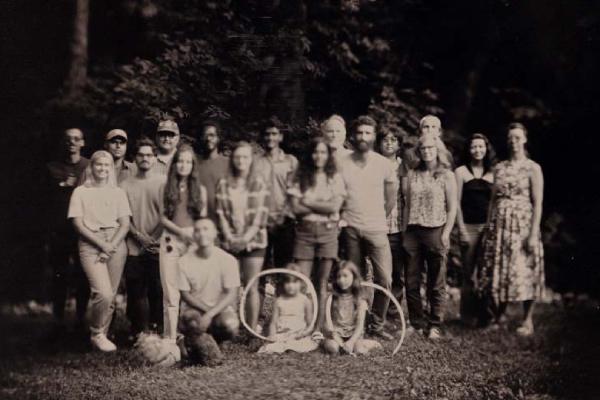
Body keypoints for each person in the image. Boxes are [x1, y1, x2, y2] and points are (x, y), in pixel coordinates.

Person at [478, 123, 544, 336]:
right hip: (500, 225)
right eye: (510, 138)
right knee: (501, 268)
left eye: (517, 138)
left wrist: (533, 233)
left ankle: (527, 320)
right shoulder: (500, 168)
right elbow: (492, 200)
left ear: (524, 140)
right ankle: (499, 316)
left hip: (522, 224)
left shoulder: (532, 168)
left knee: (525, 268)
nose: (513, 142)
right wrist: (489, 226)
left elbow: (538, 202)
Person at [339, 115, 397, 340]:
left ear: (374, 136)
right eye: (360, 133)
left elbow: (390, 197)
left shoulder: (382, 163)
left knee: (385, 279)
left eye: (368, 133)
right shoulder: (343, 162)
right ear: (353, 136)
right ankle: (358, 325)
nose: (363, 137)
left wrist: (379, 215)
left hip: (376, 228)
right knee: (356, 278)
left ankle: (377, 325)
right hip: (351, 228)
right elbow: (338, 192)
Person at [67, 150, 131, 352]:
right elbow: (77, 225)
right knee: (102, 292)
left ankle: (103, 337)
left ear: (111, 168)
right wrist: (102, 246)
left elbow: (125, 224)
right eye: (99, 165)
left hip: (115, 242)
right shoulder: (81, 192)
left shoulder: (117, 192)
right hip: (90, 242)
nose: (102, 169)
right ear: (91, 167)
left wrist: (110, 245)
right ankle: (96, 333)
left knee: (111, 295)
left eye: (107, 165)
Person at [288, 137, 346, 335]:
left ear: (328, 155)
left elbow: (335, 206)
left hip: (328, 232)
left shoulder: (334, 177)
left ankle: (318, 327)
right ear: (309, 154)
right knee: (302, 280)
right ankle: (302, 325)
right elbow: (295, 208)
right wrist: (321, 206)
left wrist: (308, 201)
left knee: (322, 282)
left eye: (323, 152)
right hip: (304, 232)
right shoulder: (300, 176)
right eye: (315, 152)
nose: (318, 156)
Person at [403, 134, 457, 340]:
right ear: (419, 151)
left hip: (435, 230)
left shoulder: (446, 175)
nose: (427, 151)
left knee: (437, 280)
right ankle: (416, 323)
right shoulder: (413, 173)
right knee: (411, 279)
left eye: (430, 148)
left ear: (438, 149)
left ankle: (435, 324)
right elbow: (407, 203)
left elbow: (452, 209)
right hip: (413, 231)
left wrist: (446, 233)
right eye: (423, 148)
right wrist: (405, 229)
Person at [215, 141, 270, 331]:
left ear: (251, 160)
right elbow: (220, 213)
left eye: (245, 157)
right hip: (228, 241)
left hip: (254, 241)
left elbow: (260, 217)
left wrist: (245, 239)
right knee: (230, 287)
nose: (241, 161)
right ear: (232, 159)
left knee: (251, 286)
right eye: (237, 157)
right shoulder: (223, 183)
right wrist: (230, 238)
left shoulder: (259, 182)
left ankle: (251, 329)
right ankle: (230, 329)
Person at [160, 144, 207, 342]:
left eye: (188, 162)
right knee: (171, 292)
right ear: (175, 164)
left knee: (192, 290)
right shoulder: (165, 186)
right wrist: (181, 232)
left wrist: (193, 235)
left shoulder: (200, 189)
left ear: (193, 165)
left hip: (193, 241)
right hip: (171, 239)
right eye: (180, 161)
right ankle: (170, 337)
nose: (184, 165)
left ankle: (192, 335)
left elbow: (202, 218)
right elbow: (162, 218)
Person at [178, 218, 240, 366]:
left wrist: (211, 314)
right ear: (193, 235)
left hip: (220, 309)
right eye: (197, 230)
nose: (201, 234)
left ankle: (213, 340)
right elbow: (185, 295)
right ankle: (193, 343)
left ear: (215, 233)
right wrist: (206, 313)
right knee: (193, 321)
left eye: (206, 229)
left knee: (230, 325)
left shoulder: (227, 259)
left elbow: (232, 293)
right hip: (195, 310)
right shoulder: (184, 261)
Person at [45, 128, 90, 332]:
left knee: (83, 276)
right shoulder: (52, 168)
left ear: (82, 143)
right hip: (59, 231)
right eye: (68, 139)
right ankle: (58, 321)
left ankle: (81, 319)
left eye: (76, 139)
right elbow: (43, 203)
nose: (72, 142)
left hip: (83, 230)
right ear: (63, 142)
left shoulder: (89, 167)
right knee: (59, 275)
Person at [121, 137, 166, 337]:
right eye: (141, 155)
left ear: (155, 158)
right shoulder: (124, 185)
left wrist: (152, 239)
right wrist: (139, 237)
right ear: (134, 158)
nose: (145, 158)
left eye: (149, 155)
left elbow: (167, 215)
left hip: (158, 244)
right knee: (136, 290)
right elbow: (122, 217)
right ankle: (140, 331)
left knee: (157, 289)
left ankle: (157, 330)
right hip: (133, 245)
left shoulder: (163, 182)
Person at [454, 133, 495, 326]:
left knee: (486, 273)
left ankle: (485, 316)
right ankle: (466, 315)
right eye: (473, 147)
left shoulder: (494, 172)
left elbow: (495, 204)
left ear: (486, 149)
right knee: (468, 273)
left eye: (481, 146)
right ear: (468, 150)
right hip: (468, 228)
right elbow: (456, 203)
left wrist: (490, 227)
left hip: (488, 229)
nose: (477, 150)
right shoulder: (461, 172)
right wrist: (461, 229)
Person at [254, 117, 298, 269]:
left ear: (280, 136)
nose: (270, 138)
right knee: (260, 267)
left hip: (284, 221)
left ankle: (283, 293)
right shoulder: (255, 162)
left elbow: (293, 192)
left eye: (274, 134)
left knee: (284, 267)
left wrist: (282, 216)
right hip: (260, 221)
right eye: (267, 134)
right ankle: (259, 292)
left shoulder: (290, 161)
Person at [376, 128, 410, 314]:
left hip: (396, 223)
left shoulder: (402, 166)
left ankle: (393, 308)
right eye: (385, 139)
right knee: (379, 269)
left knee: (397, 268)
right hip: (375, 221)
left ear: (399, 145)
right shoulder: (373, 162)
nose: (389, 143)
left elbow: (406, 197)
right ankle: (376, 306)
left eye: (393, 140)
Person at [322, 261, 382, 355]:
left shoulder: (360, 300)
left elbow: (360, 326)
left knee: (359, 350)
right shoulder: (332, 298)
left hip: (354, 334)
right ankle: (341, 345)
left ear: (354, 277)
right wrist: (334, 336)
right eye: (339, 277)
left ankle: (370, 343)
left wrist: (351, 342)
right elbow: (327, 322)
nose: (341, 280)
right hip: (336, 333)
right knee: (332, 348)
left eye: (345, 276)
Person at [257, 265, 319, 354]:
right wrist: (272, 335)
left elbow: (310, 324)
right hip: (282, 334)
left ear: (301, 283)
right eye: (287, 282)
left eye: (295, 282)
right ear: (283, 284)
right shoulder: (279, 301)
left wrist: (303, 334)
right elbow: (273, 322)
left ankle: (291, 348)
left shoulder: (305, 301)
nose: (291, 286)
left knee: (300, 344)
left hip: (298, 335)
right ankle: (284, 347)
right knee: (271, 346)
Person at [197, 120, 229, 223]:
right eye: (205, 135)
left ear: (218, 138)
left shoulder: (228, 163)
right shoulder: (194, 163)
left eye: (212, 135)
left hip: (223, 222)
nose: (208, 139)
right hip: (200, 222)